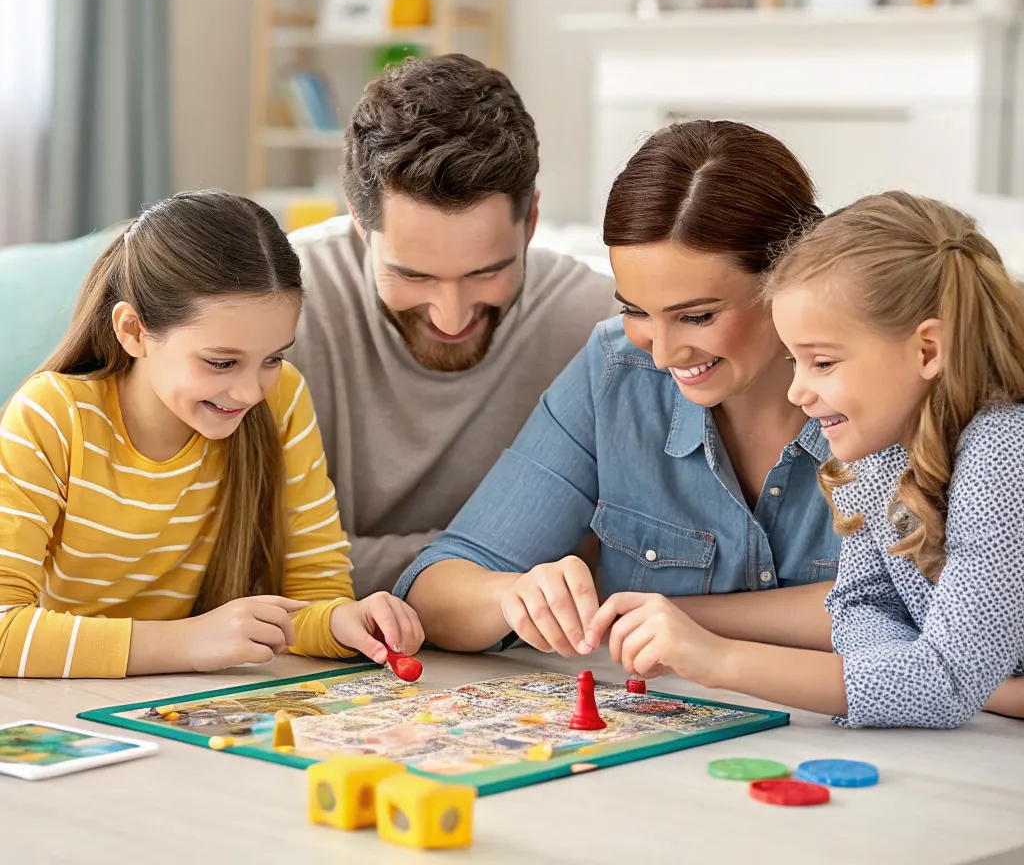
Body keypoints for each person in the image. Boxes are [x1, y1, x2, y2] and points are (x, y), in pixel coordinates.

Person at [397, 119, 842, 654]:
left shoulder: (889, 386)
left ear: (790, 275)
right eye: (635, 310)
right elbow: (434, 590)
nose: (661, 353)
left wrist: (675, 619)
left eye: (697, 316)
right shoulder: (615, 371)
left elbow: (939, 626)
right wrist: (515, 595)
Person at [587, 192, 1024, 726]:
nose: (797, 392)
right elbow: (862, 606)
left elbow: (948, 684)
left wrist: (719, 658)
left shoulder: (1002, 454)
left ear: (927, 350)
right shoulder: (877, 452)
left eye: (822, 362)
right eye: (795, 361)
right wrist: (920, 675)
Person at [0, 191, 422, 678]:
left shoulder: (282, 399)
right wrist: (189, 642)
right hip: (62, 703)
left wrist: (339, 621)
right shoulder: (53, 415)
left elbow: (311, 595)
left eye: (272, 358)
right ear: (134, 331)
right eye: (221, 362)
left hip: (181, 701)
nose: (249, 392)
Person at [287, 54, 616, 595]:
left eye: (488, 272)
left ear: (531, 221)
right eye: (412, 276)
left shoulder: (596, 324)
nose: (452, 315)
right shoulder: (280, 312)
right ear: (359, 222)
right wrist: (504, 570)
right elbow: (255, 562)